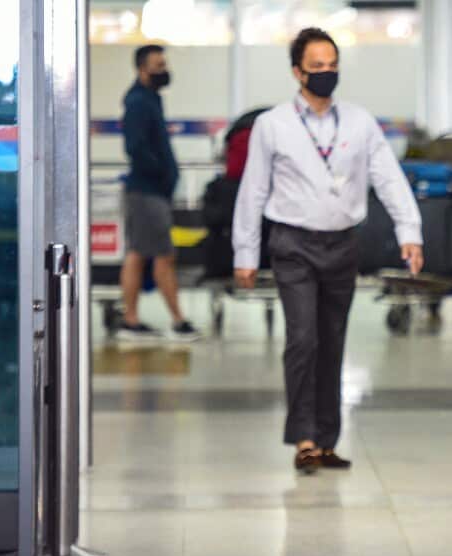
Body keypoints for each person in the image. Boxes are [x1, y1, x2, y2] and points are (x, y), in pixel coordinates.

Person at [232, 27, 423, 474]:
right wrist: (245, 254)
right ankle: (303, 439)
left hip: (341, 244)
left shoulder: (358, 122)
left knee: (332, 342)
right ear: (297, 72)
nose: (326, 73)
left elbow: (389, 178)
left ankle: (325, 439)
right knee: (303, 339)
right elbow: (253, 189)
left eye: (332, 65)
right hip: (292, 244)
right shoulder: (273, 124)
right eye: (317, 66)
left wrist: (408, 232)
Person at [119, 44, 200, 341]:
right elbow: (135, 148)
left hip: (152, 191)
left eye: (164, 64)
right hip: (147, 191)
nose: (163, 70)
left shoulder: (150, 99)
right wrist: (162, 173)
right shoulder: (138, 102)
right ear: (142, 68)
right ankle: (177, 321)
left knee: (139, 253)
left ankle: (132, 319)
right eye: (158, 65)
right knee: (161, 255)